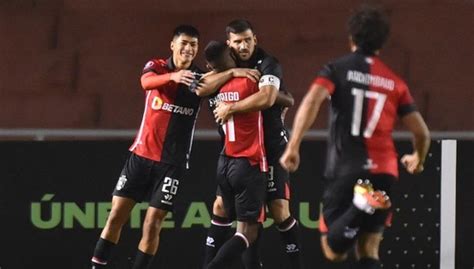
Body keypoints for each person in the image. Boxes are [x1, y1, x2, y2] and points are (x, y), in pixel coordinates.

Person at [280, 5, 431, 269]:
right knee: (369, 248)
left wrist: (293, 146)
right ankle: (363, 204)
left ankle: (359, 206)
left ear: (351, 37)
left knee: (333, 251)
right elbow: (421, 132)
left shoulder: (336, 69)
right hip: (385, 169)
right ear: (382, 43)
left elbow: (312, 101)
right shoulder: (395, 82)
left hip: (346, 167)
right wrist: (418, 156)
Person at [90, 25, 202, 269]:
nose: (188, 48)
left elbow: (220, 85)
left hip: (172, 165)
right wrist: (173, 77)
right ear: (172, 45)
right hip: (140, 157)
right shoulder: (157, 66)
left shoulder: (200, 79)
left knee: (153, 223)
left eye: (193, 45)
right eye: (184, 43)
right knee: (116, 216)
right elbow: (145, 82)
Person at [200, 19, 301, 269]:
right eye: (238, 41)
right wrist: (233, 72)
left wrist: (231, 107)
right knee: (233, 213)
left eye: (247, 40)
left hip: (270, 148)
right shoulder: (227, 64)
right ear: (229, 44)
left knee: (278, 211)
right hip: (239, 152)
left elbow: (271, 98)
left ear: (256, 39)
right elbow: (200, 87)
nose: (243, 46)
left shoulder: (268, 63)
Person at [195, 40, 269, 269]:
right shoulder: (249, 80)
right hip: (249, 162)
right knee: (247, 233)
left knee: (224, 217)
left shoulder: (216, 86)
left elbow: (200, 86)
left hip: (225, 162)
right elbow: (271, 98)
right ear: (230, 54)